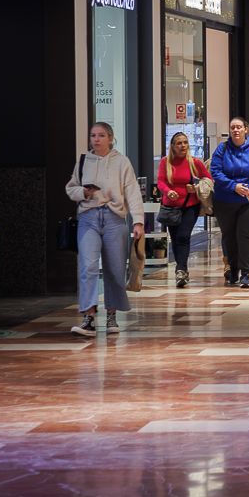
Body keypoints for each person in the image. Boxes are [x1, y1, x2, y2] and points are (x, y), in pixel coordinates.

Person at [66, 121, 145, 337]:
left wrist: (138, 221)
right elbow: (70, 188)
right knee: (87, 266)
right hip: (88, 217)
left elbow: (132, 191)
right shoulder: (83, 160)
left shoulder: (121, 162)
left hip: (114, 219)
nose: (96, 139)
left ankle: (111, 315)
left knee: (114, 268)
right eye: (93, 135)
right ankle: (88, 317)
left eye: (101, 135)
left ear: (110, 138)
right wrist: (84, 192)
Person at [209, 116, 249, 289]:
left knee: (246, 235)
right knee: (229, 236)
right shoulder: (222, 150)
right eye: (232, 128)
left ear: (246, 129)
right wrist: (233, 186)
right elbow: (215, 171)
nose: (235, 130)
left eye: (239, 127)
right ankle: (233, 269)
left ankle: (245, 273)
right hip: (225, 200)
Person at [154, 131, 210, 289]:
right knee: (176, 238)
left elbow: (208, 179)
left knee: (184, 236)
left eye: (185, 142)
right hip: (171, 207)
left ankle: (180, 269)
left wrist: (196, 188)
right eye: (179, 143)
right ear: (172, 146)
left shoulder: (194, 162)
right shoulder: (165, 162)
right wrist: (167, 191)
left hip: (190, 205)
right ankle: (182, 270)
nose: (183, 146)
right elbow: (160, 181)